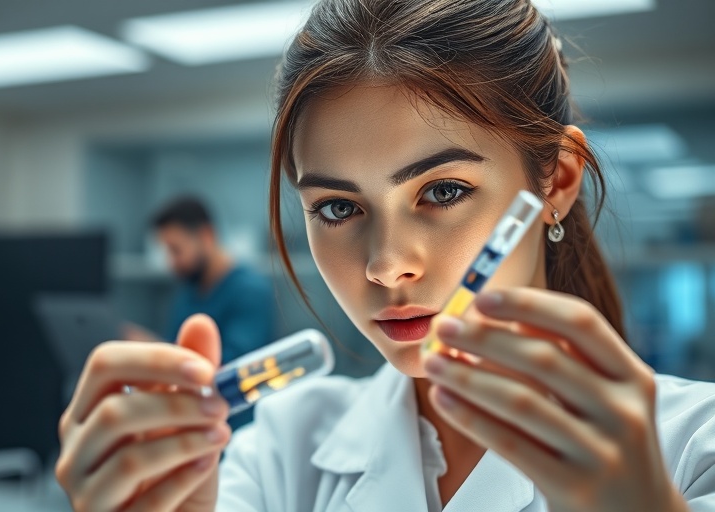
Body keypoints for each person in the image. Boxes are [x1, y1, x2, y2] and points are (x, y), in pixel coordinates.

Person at [55, 1, 715, 511]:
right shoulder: (282, 452)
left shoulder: (695, 449)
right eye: (338, 208)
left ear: (557, 182)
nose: (386, 265)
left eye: (444, 191)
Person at [122, 196, 275, 364]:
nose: (171, 262)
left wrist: (156, 348)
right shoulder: (189, 288)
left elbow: (236, 364)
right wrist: (148, 345)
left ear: (206, 235)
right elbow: (177, 346)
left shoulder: (251, 291)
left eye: (175, 250)